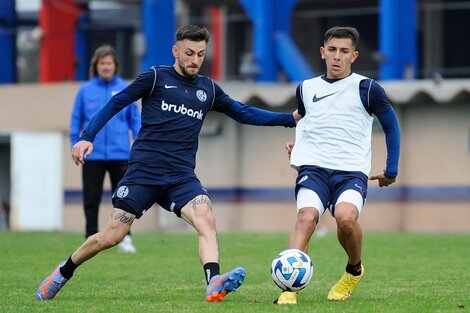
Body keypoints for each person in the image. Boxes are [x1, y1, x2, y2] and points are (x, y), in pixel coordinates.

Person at [36, 25, 300, 302]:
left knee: (206, 220)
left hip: (180, 177)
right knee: (112, 236)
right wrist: (87, 137)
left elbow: (243, 112)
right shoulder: (154, 77)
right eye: (189, 53)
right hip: (144, 173)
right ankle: (61, 273)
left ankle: (213, 283)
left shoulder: (208, 89)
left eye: (200, 54)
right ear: (175, 51)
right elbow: (117, 103)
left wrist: (288, 118)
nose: (195, 60)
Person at [275, 26, 400, 305]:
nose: (337, 56)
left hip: (351, 172)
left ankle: (354, 270)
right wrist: (300, 149)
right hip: (314, 171)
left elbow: (391, 127)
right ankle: (288, 289)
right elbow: (308, 121)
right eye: (332, 50)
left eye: (344, 51)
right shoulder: (306, 88)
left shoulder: (368, 89)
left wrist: (391, 170)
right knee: (306, 218)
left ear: (353, 56)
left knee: (345, 218)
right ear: (323, 52)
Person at [69, 44, 141, 253]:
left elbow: (135, 121)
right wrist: (75, 144)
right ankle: (90, 236)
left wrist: (138, 147)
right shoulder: (85, 90)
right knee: (91, 198)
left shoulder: (127, 89)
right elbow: (76, 120)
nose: (106, 67)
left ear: (115, 66)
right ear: (96, 66)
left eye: (109, 63)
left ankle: (126, 237)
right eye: (102, 63)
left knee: (124, 198)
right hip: (93, 155)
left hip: (121, 154)